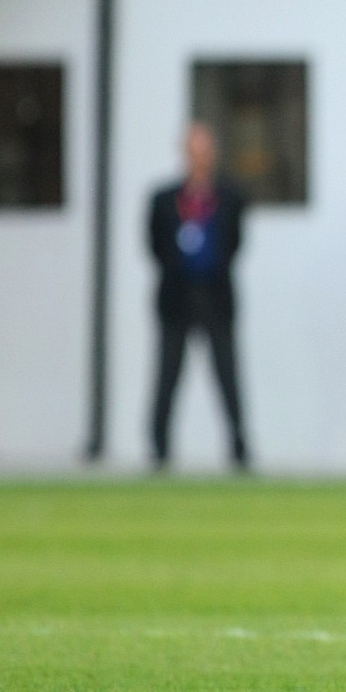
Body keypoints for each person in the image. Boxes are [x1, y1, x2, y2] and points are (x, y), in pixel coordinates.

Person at [147, 122, 249, 472]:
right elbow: (154, 245)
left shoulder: (230, 197)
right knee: (167, 376)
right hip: (176, 298)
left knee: (228, 376)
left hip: (216, 297)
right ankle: (159, 450)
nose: (199, 158)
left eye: (204, 151)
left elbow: (235, 242)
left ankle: (239, 449)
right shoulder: (163, 199)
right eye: (193, 151)